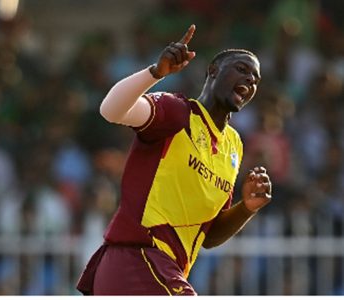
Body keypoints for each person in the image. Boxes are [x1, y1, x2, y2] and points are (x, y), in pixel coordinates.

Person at [76, 24, 272, 296]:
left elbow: (210, 236)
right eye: (242, 69)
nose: (250, 80)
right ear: (212, 71)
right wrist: (155, 73)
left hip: (162, 271)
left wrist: (247, 207)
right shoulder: (178, 112)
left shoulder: (233, 146)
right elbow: (110, 109)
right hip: (137, 260)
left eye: (256, 79)